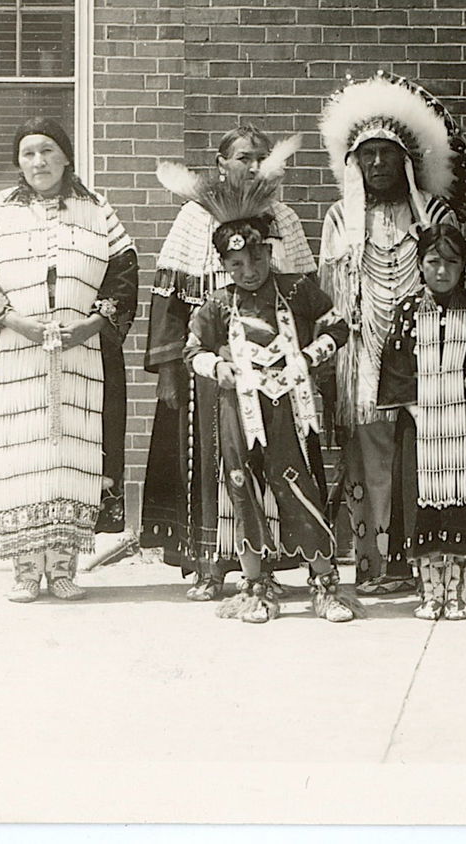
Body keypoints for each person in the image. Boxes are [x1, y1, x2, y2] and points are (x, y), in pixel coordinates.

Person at [159, 147, 355, 624]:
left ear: (269, 251)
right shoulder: (217, 304)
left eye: (256, 258)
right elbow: (191, 350)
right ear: (224, 266)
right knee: (242, 486)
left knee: (298, 483)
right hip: (236, 412)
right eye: (237, 264)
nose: (249, 271)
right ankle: (256, 584)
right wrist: (215, 368)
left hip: (290, 408)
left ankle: (324, 583)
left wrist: (308, 358)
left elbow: (338, 327)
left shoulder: (296, 290)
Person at [140, 124, 319, 601]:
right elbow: (169, 300)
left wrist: (303, 366)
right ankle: (210, 565)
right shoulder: (194, 218)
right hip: (212, 370)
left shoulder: (284, 218)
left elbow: (304, 300)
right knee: (211, 462)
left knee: (278, 461)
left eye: (261, 156)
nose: (254, 165)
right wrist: (170, 372)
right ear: (221, 165)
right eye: (243, 157)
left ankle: (268, 566)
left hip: (276, 371)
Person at [0, 117, 138, 602]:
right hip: (16, 352)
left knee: (71, 455)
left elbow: (123, 274)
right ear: (18, 162)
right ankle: (24, 570)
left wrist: (92, 325)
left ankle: (62, 568)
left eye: (46, 151)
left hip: (83, 354)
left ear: (65, 156)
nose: (37, 162)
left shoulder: (96, 208)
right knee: (20, 452)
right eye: (27, 154)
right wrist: (14, 320)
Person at [318, 72, 463, 596]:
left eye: (387, 154)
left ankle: (432, 561)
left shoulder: (434, 216)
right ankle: (376, 562)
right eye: (367, 155)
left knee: (429, 454)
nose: (377, 165)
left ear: (406, 160)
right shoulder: (340, 217)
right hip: (364, 353)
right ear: (354, 163)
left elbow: (453, 281)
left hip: (430, 354)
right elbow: (331, 295)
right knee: (372, 461)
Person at [376, 224, 466, 621]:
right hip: (420, 428)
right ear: (420, 265)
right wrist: (419, 412)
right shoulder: (408, 311)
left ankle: (457, 592)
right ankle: (429, 593)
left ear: (464, 266)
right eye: (433, 262)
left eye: (451, 262)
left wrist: (465, 410)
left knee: (464, 505)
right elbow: (395, 366)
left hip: (465, 426)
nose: (442, 271)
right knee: (423, 507)